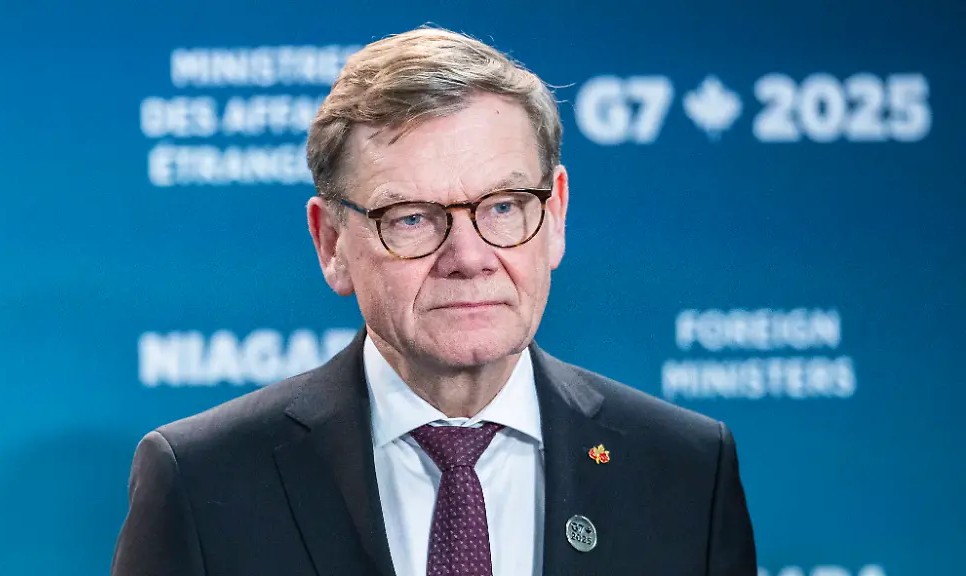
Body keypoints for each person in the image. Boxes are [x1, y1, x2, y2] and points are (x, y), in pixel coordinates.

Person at [111, 27, 756, 576]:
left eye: (503, 207)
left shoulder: (688, 470)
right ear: (331, 242)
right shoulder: (202, 482)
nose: (470, 257)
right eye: (413, 218)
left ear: (556, 213)